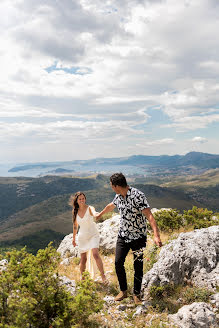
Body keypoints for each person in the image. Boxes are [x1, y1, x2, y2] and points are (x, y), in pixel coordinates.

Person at [96, 173, 162, 305]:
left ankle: (137, 294)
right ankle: (123, 291)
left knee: (138, 265)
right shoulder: (118, 196)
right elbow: (111, 205)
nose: (111, 188)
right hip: (123, 235)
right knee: (118, 262)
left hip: (138, 237)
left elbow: (149, 215)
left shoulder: (138, 195)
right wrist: (100, 214)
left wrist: (156, 235)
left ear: (116, 186)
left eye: (111, 186)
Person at [69, 191, 108, 284]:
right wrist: (73, 238)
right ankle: (83, 279)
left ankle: (103, 277)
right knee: (83, 259)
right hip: (82, 236)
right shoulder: (75, 211)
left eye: (83, 198)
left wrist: (97, 214)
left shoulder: (90, 208)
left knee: (95, 254)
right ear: (77, 201)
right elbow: (75, 226)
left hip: (93, 234)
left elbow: (94, 214)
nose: (82, 200)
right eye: (80, 199)